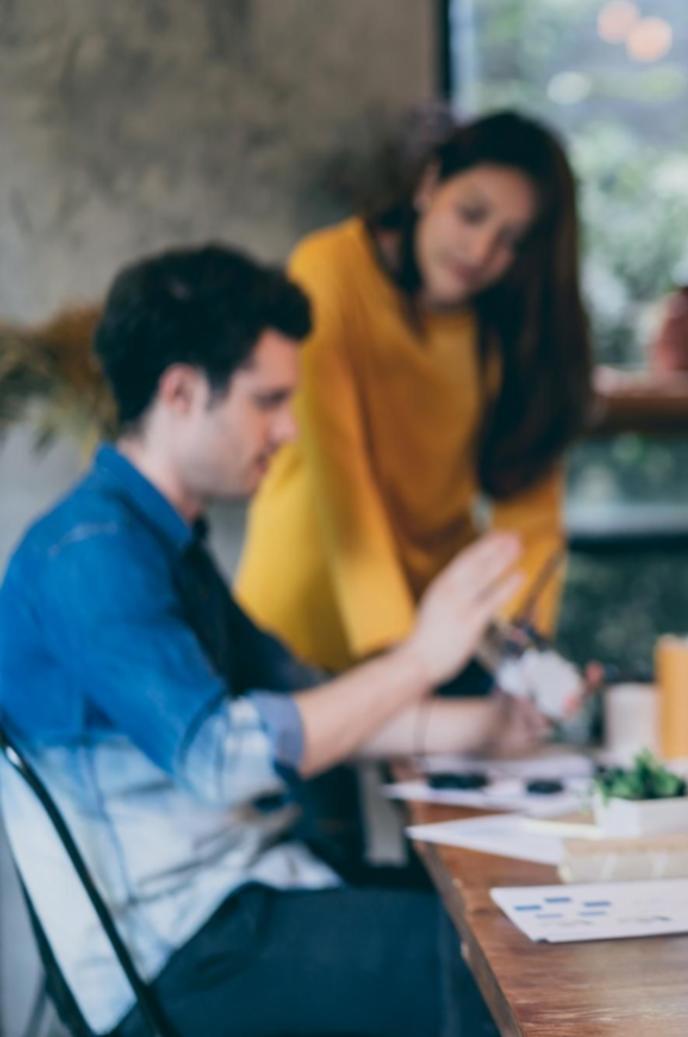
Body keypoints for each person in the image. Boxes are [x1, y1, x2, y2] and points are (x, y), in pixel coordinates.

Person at [0, 245, 550, 1037]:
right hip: (177, 953)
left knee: (491, 918)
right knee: (493, 958)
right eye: (268, 400)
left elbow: (304, 705)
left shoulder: (161, 541)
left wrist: (482, 725)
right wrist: (423, 656)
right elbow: (223, 760)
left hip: (242, 899)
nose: (290, 428)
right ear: (182, 393)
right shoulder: (88, 555)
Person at [235, 111, 591, 677]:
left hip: (436, 646)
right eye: (470, 214)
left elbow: (530, 521)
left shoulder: (510, 325)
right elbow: (343, 485)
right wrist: (401, 664)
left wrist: (521, 661)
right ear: (429, 186)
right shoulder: (329, 270)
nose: (479, 250)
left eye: (511, 241)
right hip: (305, 634)